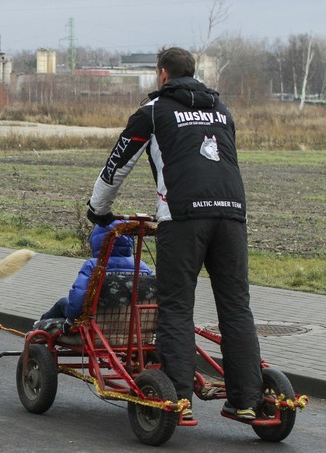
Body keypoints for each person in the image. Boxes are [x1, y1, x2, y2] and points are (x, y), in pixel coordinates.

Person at [86, 47, 263, 420]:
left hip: (183, 218)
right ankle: (248, 398)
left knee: (177, 307)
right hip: (232, 215)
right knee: (235, 307)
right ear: (192, 72)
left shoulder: (153, 112)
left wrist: (97, 210)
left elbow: (117, 165)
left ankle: (178, 396)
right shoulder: (222, 111)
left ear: (162, 74)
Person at [39, 220, 153, 324]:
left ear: (97, 242)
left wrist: (71, 318)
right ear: (130, 241)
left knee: (62, 303)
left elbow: (79, 298)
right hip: (132, 324)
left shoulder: (94, 265)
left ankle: (39, 328)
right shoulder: (143, 267)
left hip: (96, 321)